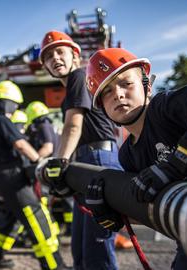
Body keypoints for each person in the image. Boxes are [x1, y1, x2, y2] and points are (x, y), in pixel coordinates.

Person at [82, 47, 187, 269]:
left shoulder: (163, 108)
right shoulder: (127, 154)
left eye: (126, 83)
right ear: (102, 108)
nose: (118, 94)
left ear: (148, 86)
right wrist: (114, 216)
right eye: (106, 91)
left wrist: (177, 162)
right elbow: (154, 208)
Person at [39, 30, 130, 270]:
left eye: (60, 52)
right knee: (81, 251)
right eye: (48, 56)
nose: (55, 58)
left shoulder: (79, 77)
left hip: (98, 160)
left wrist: (58, 163)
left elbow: (73, 125)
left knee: (96, 252)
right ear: (45, 66)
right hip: (87, 161)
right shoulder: (73, 85)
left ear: (75, 57)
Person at [0, 80, 64, 270]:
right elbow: (20, 144)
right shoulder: (3, 120)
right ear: (8, 102)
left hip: (5, 179)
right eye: (15, 105)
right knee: (37, 221)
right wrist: (38, 160)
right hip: (14, 180)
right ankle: (54, 265)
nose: (15, 110)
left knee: (12, 222)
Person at [25, 101, 72, 234]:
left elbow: (48, 148)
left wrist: (33, 160)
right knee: (63, 200)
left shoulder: (43, 126)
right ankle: (66, 228)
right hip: (54, 168)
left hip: (47, 169)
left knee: (44, 201)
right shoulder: (50, 125)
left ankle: (52, 230)